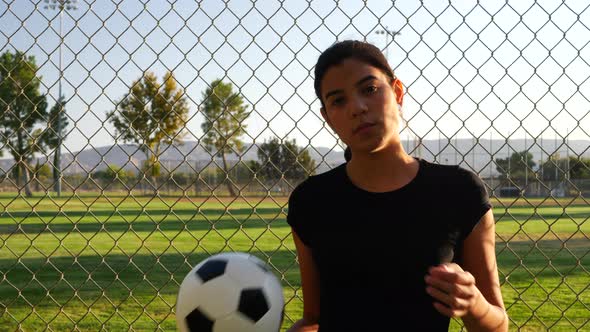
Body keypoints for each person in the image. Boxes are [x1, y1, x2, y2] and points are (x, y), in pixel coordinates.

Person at [286, 40, 507, 331]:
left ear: (397, 92)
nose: (358, 107)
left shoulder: (459, 192)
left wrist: (473, 303)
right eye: (338, 100)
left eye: (370, 89)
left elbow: (497, 325)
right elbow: (313, 320)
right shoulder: (311, 201)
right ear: (327, 117)